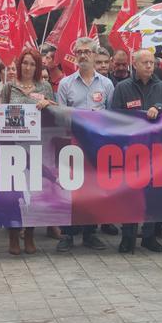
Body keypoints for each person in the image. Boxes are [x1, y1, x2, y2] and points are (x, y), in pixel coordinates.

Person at [109, 48, 162, 253]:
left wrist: (160, 107)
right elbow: (115, 117)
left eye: (152, 63)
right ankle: (128, 237)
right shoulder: (122, 87)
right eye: (144, 62)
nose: (149, 66)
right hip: (131, 149)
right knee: (130, 194)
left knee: (153, 194)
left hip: (156, 150)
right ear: (134, 65)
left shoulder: (161, 87)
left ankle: (149, 236)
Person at [54, 37, 114, 252]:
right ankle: (67, 235)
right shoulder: (65, 84)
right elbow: (60, 115)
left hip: (97, 143)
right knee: (70, 190)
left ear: (95, 54)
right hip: (73, 143)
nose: (83, 55)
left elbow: (112, 115)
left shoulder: (106, 84)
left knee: (93, 189)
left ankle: (90, 233)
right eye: (79, 51)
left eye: (87, 51)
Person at [0, 48, 55, 255]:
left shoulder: (45, 86)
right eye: (25, 63)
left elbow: (56, 112)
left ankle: (29, 234)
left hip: (37, 148)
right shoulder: (9, 87)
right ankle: (13, 235)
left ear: (37, 67)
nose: (28, 67)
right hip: (12, 147)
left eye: (32, 64)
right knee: (14, 193)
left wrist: (49, 103)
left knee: (33, 193)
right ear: (19, 65)